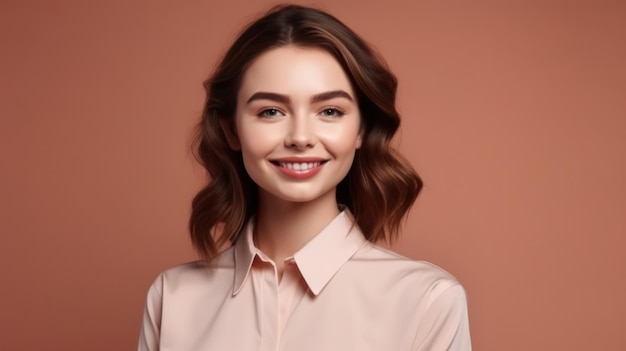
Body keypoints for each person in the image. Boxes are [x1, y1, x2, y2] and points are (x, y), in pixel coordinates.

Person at [138, 4, 471, 350]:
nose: (300, 137)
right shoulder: (173, 298)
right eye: (270, 111)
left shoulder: (427, 302)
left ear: (361, 129)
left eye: (330, 111)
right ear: (231, 129)